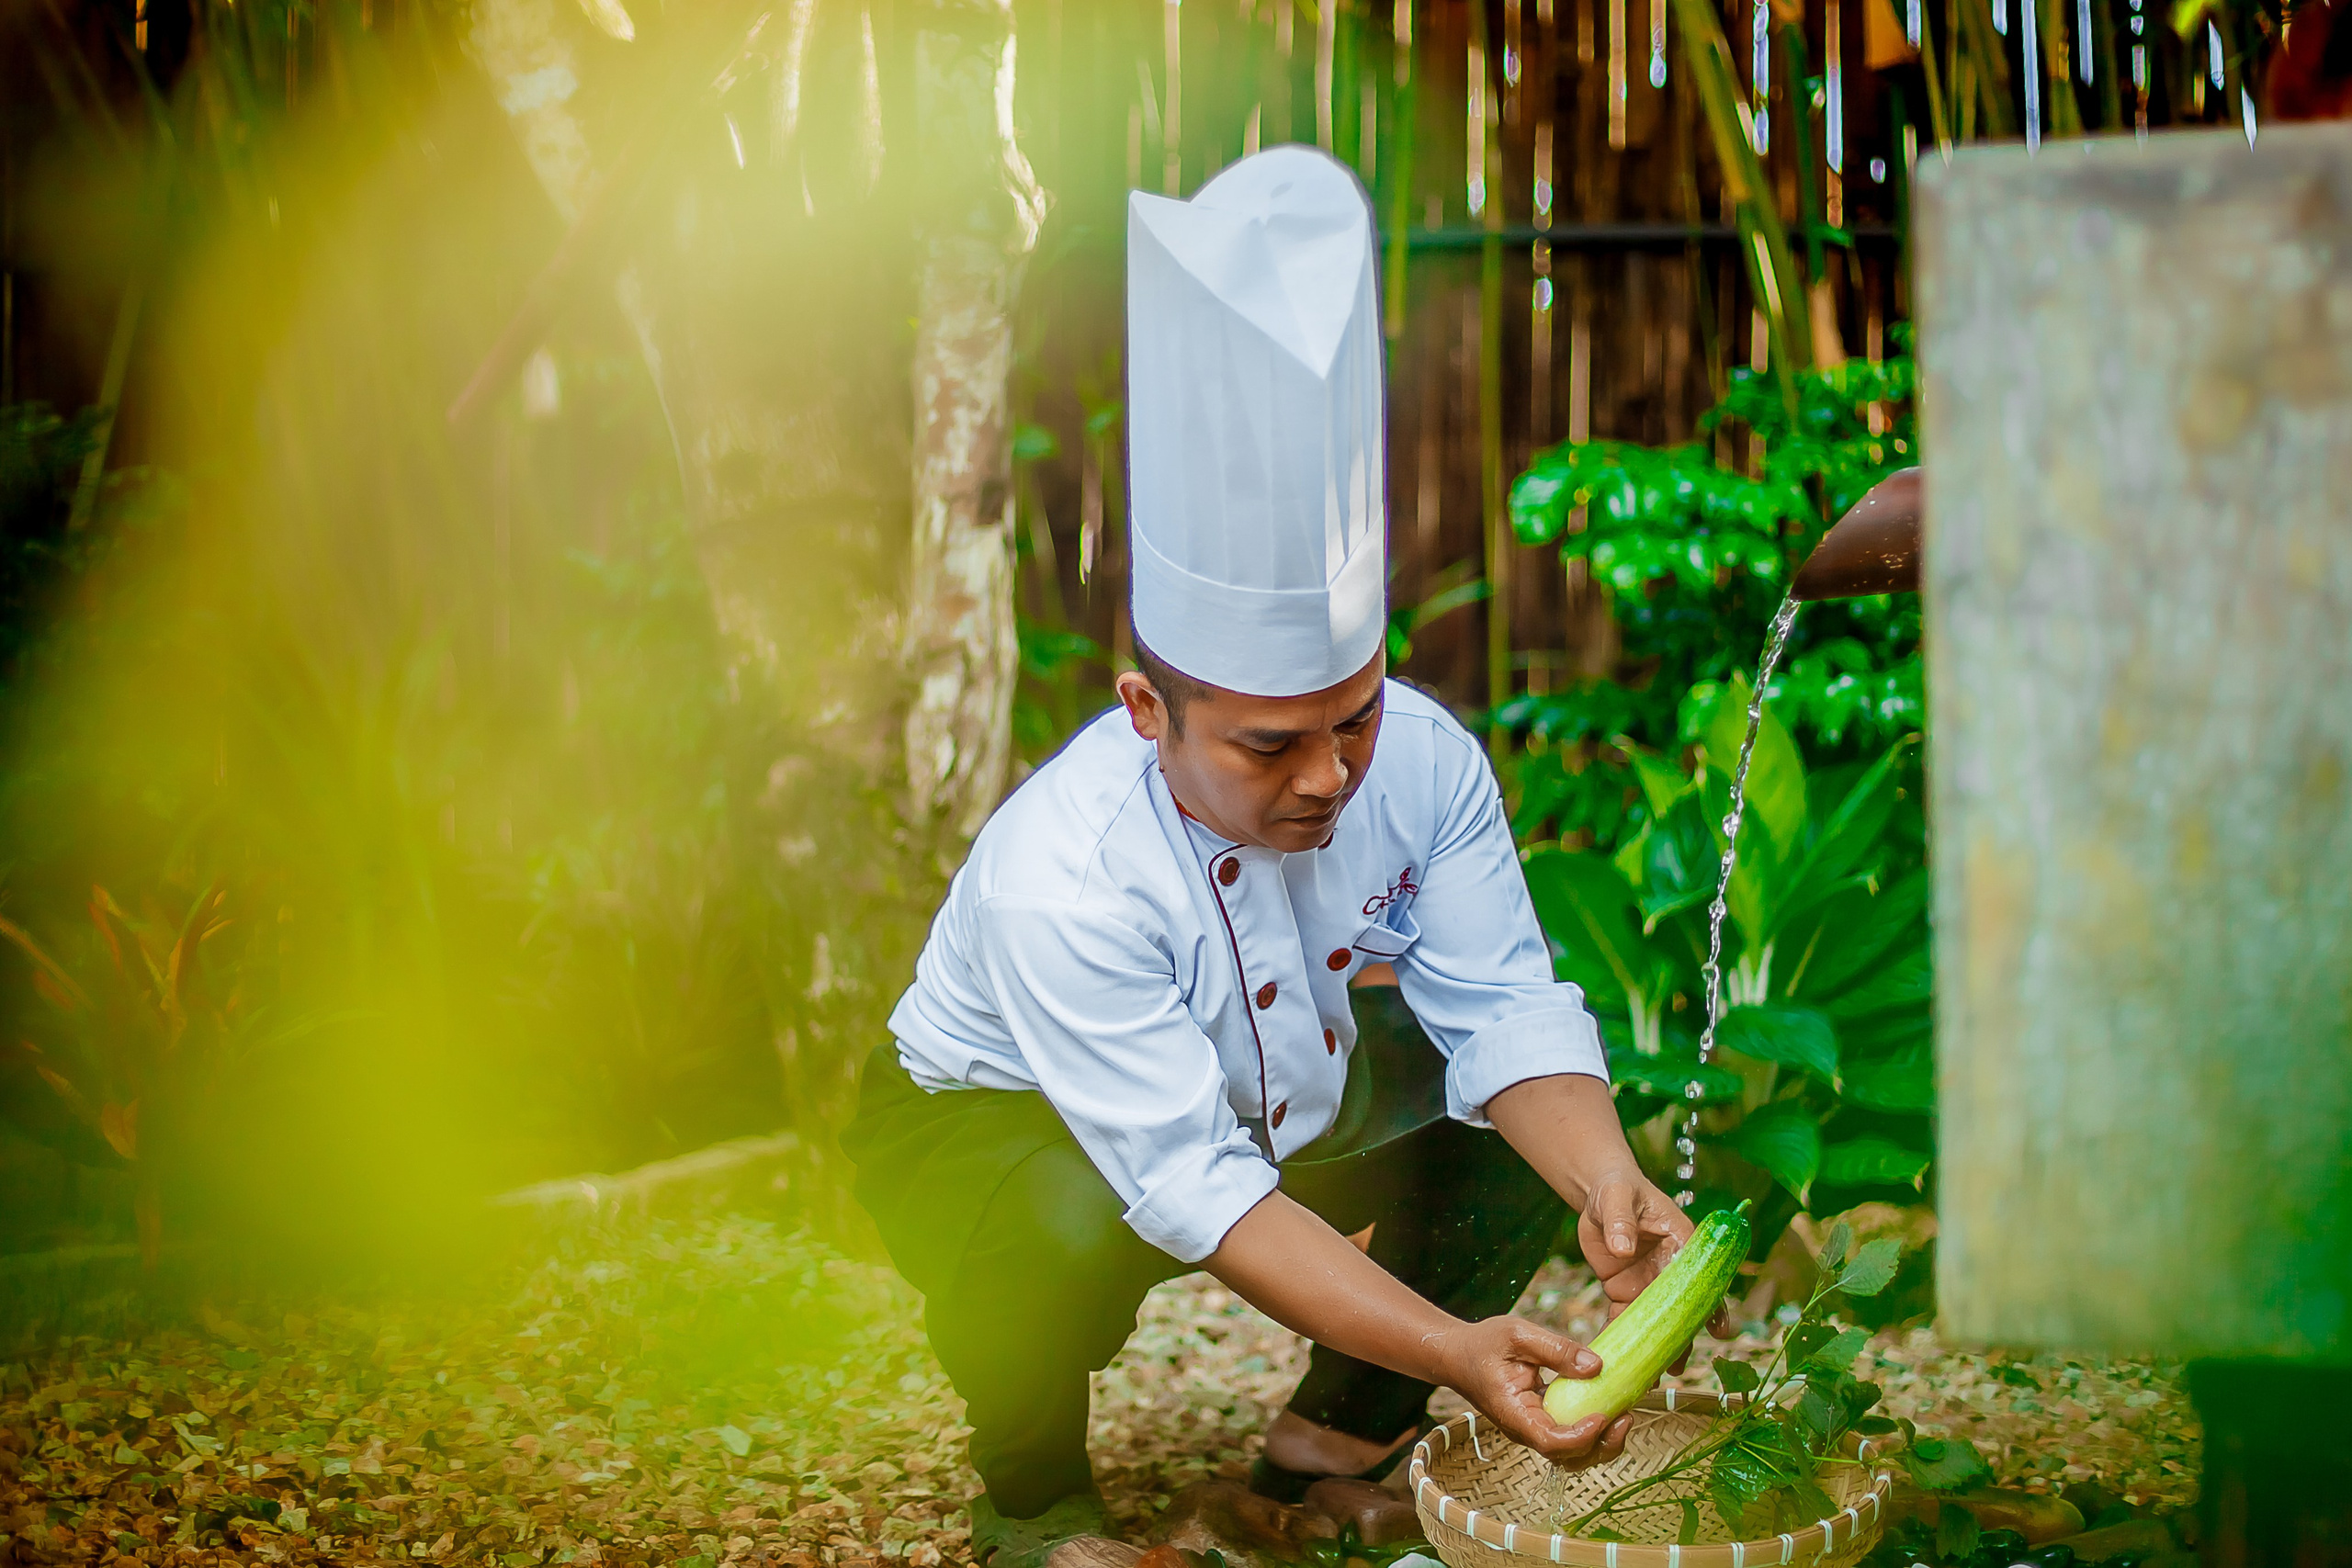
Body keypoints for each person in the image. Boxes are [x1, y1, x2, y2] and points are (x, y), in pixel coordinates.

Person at [843, 145, 1707, 1568]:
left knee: (1513, 1133)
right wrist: (1462, 1349)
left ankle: (1324, 1455)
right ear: (1147, 713)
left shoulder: (1421, 757)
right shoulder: (1064, 872)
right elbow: (1191, 1182)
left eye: (1352, 719)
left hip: (1268, 1084)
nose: (1328, 778)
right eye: (1266, 748)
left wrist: (1604, 1175)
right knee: (1057, 1222)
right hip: (989, 1128)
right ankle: (1034, 1488)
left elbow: (1502, 1007)